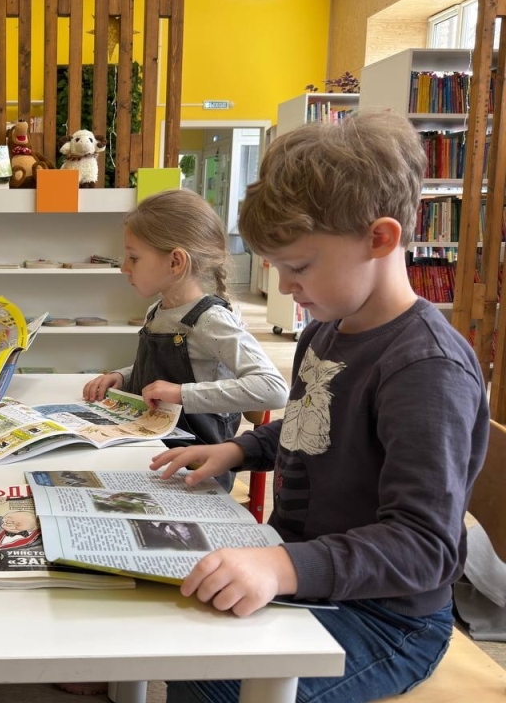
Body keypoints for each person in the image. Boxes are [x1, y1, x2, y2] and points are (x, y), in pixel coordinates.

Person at [155, 111, 489, 703]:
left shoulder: (427, 369)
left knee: (212, 676)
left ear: (379, 239)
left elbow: (424, 546)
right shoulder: (325, 332)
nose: (285, 286)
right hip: (310, 573)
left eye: (300, 266)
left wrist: (282, 568)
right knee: (176, 623)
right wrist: (239, 448)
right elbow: (318, 424)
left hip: (389, 619)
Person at [82, 189, 289, 488]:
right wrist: (124, 376)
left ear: (176, 262)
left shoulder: (211, 320)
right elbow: (166, 372)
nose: (124, 267)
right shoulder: (157, 310)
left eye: (134, 258)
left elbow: (273, 389)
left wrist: (182, 394)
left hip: (194, 470)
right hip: (151, 449)